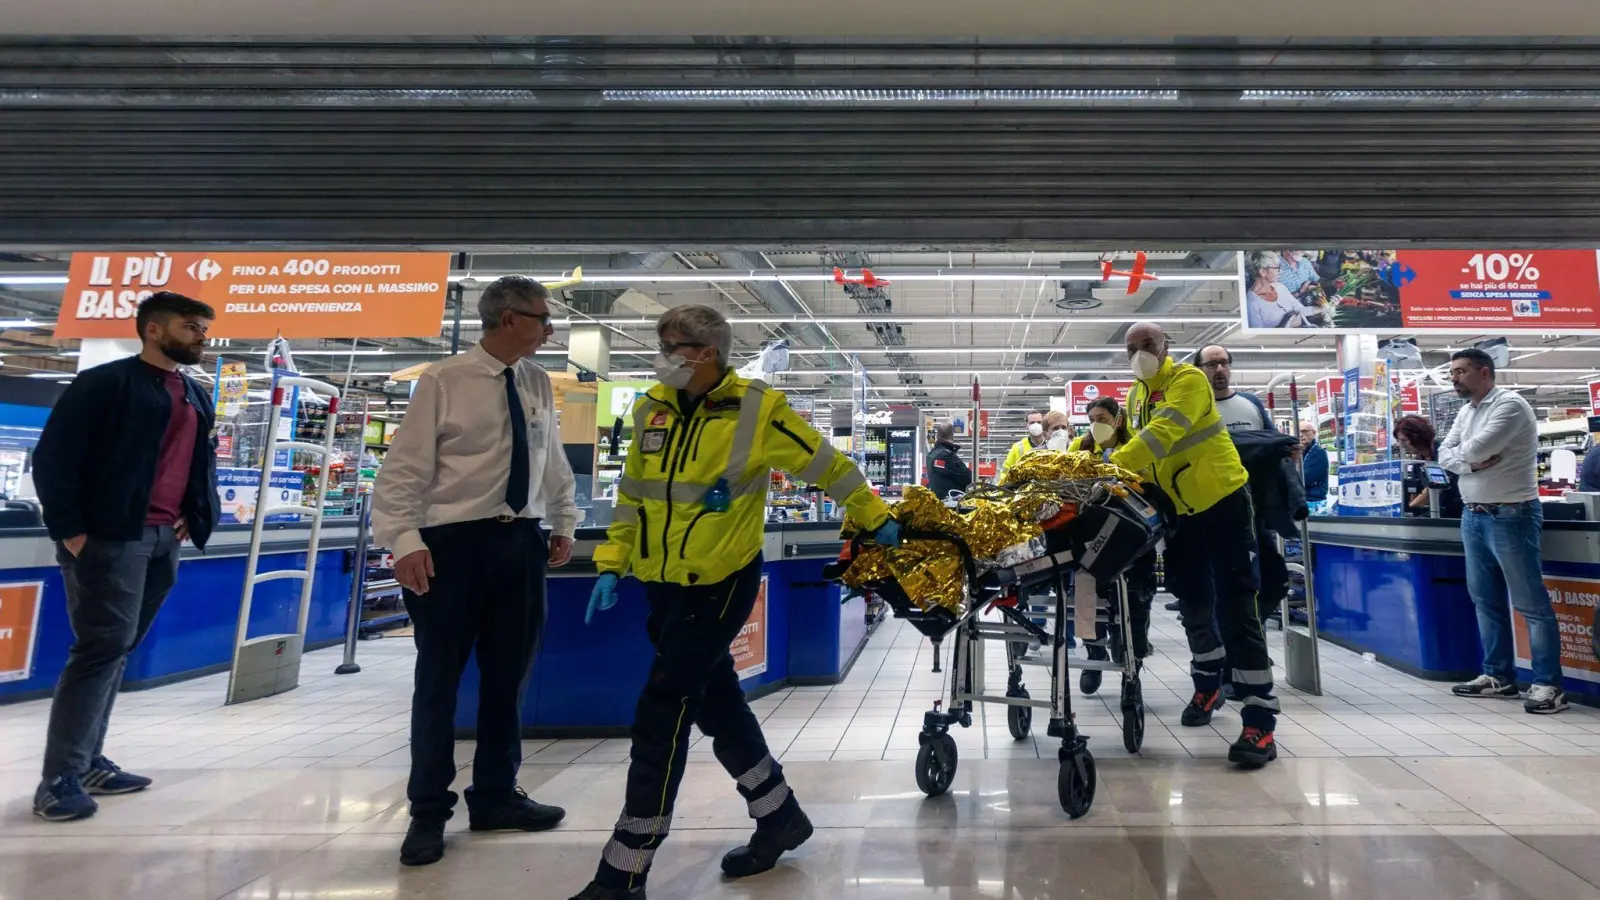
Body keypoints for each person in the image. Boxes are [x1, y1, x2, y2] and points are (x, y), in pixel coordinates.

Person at [572, 305, 899, 900]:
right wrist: (612, 563)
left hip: (721, 581)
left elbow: (829, 465)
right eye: (662, 343)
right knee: (718, 704)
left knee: (662, 712)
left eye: (674, 346)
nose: (663, 354)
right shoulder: (651, 407)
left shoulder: (757, 408)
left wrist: (875, 517)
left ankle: (624, 871)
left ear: (707, 353)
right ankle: (779, 815)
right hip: (662, 583)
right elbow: (632, 497)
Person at [373, 275, 580, 866]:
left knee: (507, 677)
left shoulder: (536, 381)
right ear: (510, 318)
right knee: (438, 682)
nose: (550, 328)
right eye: (543, 318)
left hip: (520, 543)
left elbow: (549, 457)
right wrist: (404, 540)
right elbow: (404, 470)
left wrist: (561, 519)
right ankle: (428, 811)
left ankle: (494, 795)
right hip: (451, 546)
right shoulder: (443, 380)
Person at [30, 291, 220, 821]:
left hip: (164, 538)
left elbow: (193, 461)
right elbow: (54, 459)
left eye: (204, 329)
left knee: (118, 647)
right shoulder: (106, 384)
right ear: (154, 330)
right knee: (99, 648)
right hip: (110, 538)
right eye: (191, 328)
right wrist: (71, 531)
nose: (201, 338)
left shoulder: (194, 392)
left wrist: (193, 512)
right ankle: (59, 778)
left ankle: (88, 762)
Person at [1112, 322, 1279, 767]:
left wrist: (1109, 466)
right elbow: (1145, 458)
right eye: (1131, 348)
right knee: (1192, 605)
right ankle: (1207, 687)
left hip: (1223, 504)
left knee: (1237, 607)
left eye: (1147, 344)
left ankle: (1259, 719)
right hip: (1179, 514)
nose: (1139, 353)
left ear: (1166, 346)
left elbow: (1161, 435)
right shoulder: (1134, 397)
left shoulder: (1188, 381)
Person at [1438, 349, 1566, 714]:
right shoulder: (1466, 411)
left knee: (1530, 605)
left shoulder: (1510, 406)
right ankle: (1498, 677)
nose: (1454, 378)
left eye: (1460, 371)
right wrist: (1471, 466)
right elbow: (1444, 453)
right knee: (1485, 601)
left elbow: (1480, 447)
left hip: (1512, 515)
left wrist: (1465, 459)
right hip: (1473, 515)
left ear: (1484, 372)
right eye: (1452, 372)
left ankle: (1548, 684)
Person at [1198, 344, 1294, 625]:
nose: (1219, 369)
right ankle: (1232, 650)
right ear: (1199, 370)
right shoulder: (1196, 408)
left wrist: (1287, 451)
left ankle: (1253, 636)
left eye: (1224, 363)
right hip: (1214, 510)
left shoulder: (1251, 403)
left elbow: (1271, 443)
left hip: (1256, 508)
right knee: (1224, 583)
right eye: (1212, 364)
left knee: (1274, 579)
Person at [1068, 397, 1155, 693]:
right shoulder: (1078, 449)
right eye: (1091, 417)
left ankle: (1133, 666)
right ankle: (1094, 652)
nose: (1096, 423)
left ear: (1118, 419)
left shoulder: (1138, 446)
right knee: (1082, 590)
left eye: (1102, 417)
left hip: (1135, 535)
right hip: (1093, 536)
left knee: (1137, 599)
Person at [1393, 414, 1462, 518]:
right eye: (1399, 441)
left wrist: (1406, 509)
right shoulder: (1418, 461)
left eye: (1404, 440)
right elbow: (1415, 493)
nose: (1401, 445)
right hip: (1438, 513)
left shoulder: (1443, 454)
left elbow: (1430, 493)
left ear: (1418, 437)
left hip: (1456, 514)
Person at [1244, 250, 1320, 329]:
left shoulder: (1280, 287)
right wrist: (1287, 326)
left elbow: (1300, 309)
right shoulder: (1251, 304)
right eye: (1277, 268)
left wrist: (1323, 308)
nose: (1281, 271)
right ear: (1263, 272)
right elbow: (1259, 337)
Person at [925, 422, 972, 499]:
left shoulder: (931, 455)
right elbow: (968, 478)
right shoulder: (947, 456)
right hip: (950, 504)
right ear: (952, 437)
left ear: (937, 436)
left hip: (937, 502)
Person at [1001, 410, 1047, 475]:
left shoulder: (1051, 445)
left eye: (1039, 422)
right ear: (1026, 425)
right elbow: (1005, 471)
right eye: (1032, 422)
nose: (1036, 425)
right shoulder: (1017, 448)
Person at [1300, 421, 1330, 512]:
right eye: (1299, 432)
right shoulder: (1301, 453)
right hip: (1302, 501)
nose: (1301, 435)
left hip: (1314, 503)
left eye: (1304, 431)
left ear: (1313, 433)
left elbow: (1305, 479)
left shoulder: (1319, 453)